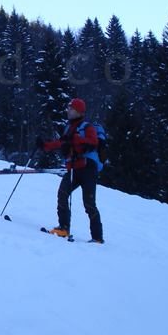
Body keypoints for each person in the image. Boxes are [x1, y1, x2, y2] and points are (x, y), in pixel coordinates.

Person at [36, 98, 104, 243]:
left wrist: (75, 138)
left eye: (71, 109)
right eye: (68, 108)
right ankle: (63, 228)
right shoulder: (68, 128)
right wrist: (44, 146)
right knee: (62, 195)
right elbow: (59, 143)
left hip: (87, 169)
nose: (68, 111)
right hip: (73, 169)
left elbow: (93, 143)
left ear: (79, 111)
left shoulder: (87, 127)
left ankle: (97, 237)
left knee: (89, 202)